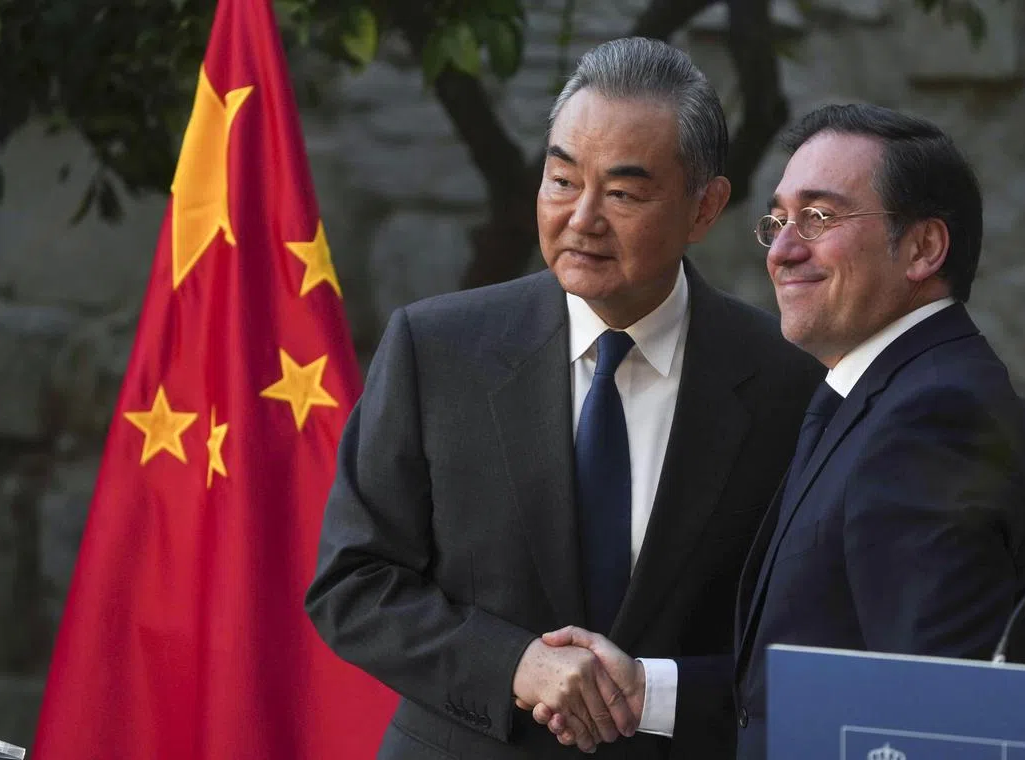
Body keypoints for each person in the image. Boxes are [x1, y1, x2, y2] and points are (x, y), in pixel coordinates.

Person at [304, 37, 823, 759]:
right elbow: (353, 585)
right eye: (561, 180)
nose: (582, 218)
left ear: (704, 209)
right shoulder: (437, 348)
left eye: (623, 193)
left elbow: (803, 641)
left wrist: (653, 692)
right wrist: (515, 665)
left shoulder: (784, 384)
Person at [536, 103, 1025, 758]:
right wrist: (645, 689)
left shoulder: (933, 420)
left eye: (818, 218)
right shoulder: (880, 398)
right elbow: (824, 675)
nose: (784, 252)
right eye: (779, 222)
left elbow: (928, 726)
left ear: (924, 248)